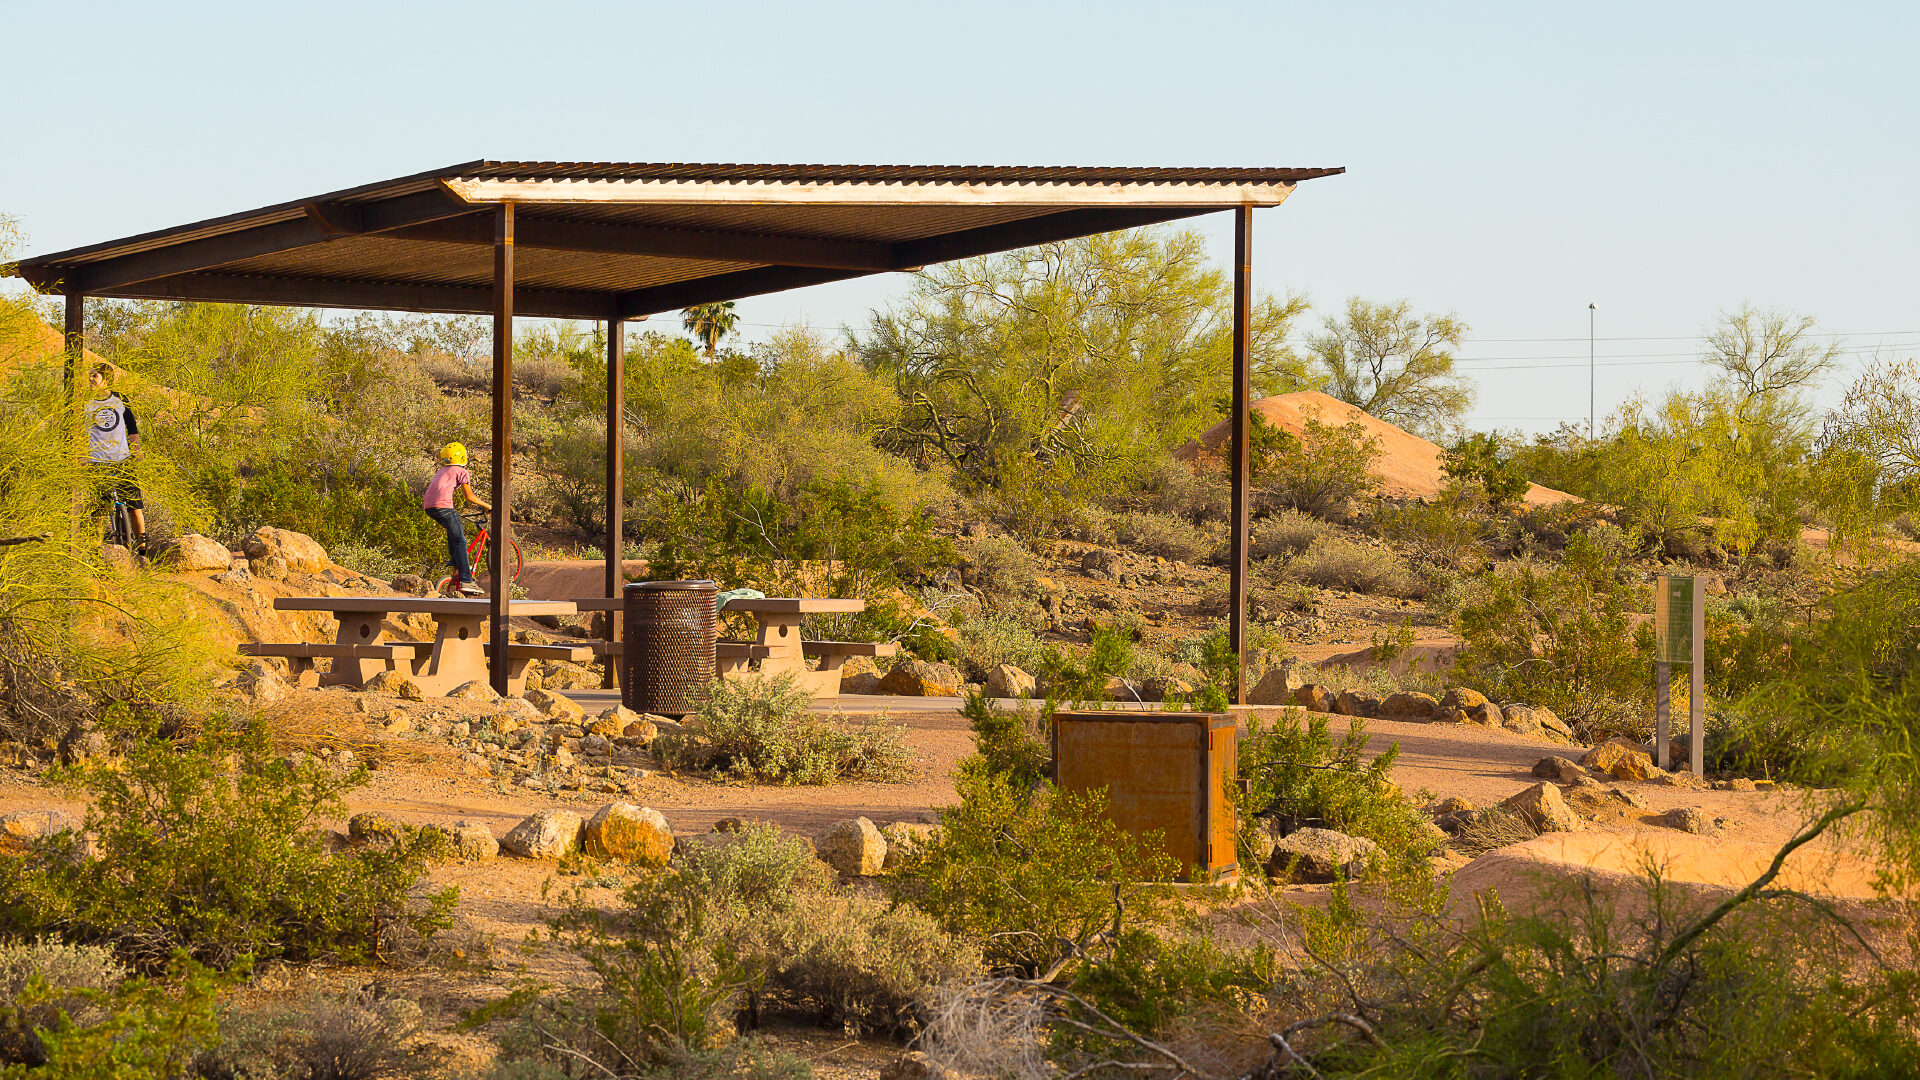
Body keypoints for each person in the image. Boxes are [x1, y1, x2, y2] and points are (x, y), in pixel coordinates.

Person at [85, 363, 146, 552]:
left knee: (134, 504)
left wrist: (136, 450)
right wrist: (80, 454)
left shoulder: (120, 400)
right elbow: (77, 429)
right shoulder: (84, 402)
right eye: (90, 375)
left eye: (94, 376)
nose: (90, 379)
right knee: (100, 507)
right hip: (97, 461)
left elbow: (132, 428)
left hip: (122, 460)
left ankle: (143, 546)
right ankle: (95, 549)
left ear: (106, 380)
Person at [423, 442, 490, 596]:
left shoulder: (441, 471)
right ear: (462, 456)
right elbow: (469, 496)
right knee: (460, 540)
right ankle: (467, 580)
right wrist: (487, 505)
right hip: (443, 507)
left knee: (453, 530)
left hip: (429, 507)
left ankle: (455, 560)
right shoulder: (461, 471)